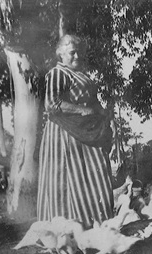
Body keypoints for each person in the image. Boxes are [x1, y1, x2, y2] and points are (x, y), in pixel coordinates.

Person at [37, 34, 114, 229]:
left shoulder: (83, 75)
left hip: (88, 134)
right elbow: (51, 104)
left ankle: (98, 229)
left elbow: (94, 104)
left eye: (80, 52)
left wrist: (104, 116)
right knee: (67, 180)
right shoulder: (57, 73)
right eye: (72, 52)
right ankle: (68, 233)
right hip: (65, 136)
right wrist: (82, 110)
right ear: (60, 54)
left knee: (96, 178)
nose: (77, 56)